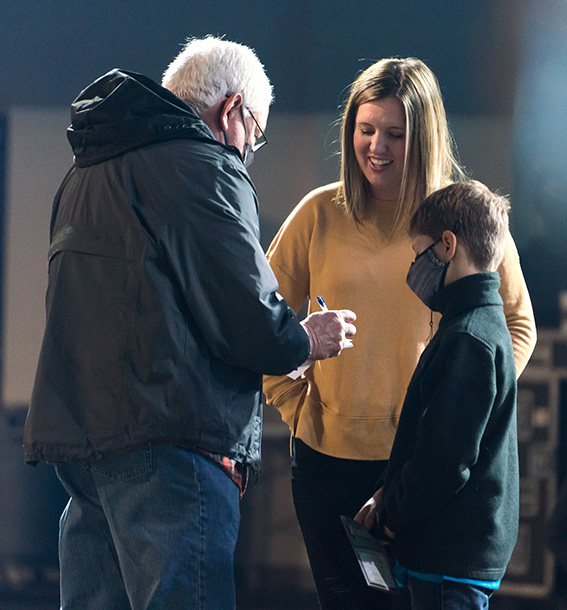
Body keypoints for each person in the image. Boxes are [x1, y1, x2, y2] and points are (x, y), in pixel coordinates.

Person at [23, 36, 356, 610]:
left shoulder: (86, 173)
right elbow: (245, 314)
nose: (249, 149)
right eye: (255, 133)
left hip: (83, 445)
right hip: (172, 447)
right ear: (232, 111)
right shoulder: (204, 167)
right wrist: (304, 338)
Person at [263, 57, 536, 610]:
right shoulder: (317, 214)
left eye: (395, 133)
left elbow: (517, 325)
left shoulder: (465, 217)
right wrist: (295, 404)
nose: (377, 147)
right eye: (366, 130)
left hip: (423, 474)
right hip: (328, 466)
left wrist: (465, 406)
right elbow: (260, 321)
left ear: (425, 136)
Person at [355, 179, 520, 610]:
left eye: (419, 253)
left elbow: (445, 459)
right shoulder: (474, 324)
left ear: (448, 245)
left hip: (450, 559)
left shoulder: (469, 337)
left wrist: (392, 520)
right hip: (451, 557)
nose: (415, 267)